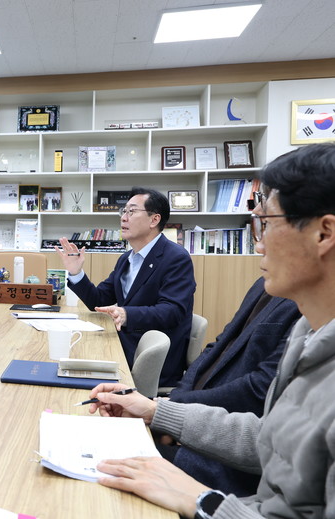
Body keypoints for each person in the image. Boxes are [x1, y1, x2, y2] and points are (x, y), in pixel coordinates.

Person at [86, 143, 335, 518]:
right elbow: (269, 438)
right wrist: (159, 411)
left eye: (265, 223)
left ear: (323, 233)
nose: (258, 243)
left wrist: (202, 500)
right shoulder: (308, 330)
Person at [163, 277, 299, 496]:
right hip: (192, 422)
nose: (261, 256)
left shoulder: (307, 309)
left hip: (223, 460)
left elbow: (258, 390)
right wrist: (174, 403)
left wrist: (174, 410)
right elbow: (218, 344)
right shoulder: (264, 283)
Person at [57, 187, 195, 387]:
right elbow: (99, 300)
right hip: (124, 343)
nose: (123, 217)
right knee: (66, 359)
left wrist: (126, 314)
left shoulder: (176, 258)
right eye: (123, 211)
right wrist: (76, 272)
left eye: (132, 211)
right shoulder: (126, 259)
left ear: (154, 219)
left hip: (150, 360)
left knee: (73, 367)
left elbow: (172, 311)